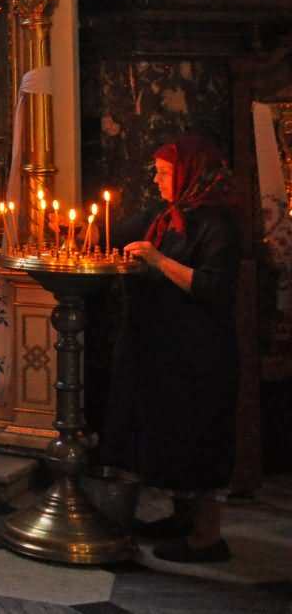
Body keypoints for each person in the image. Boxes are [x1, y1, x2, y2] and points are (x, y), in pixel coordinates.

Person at [109, 136, 241, 563]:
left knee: (200, 437)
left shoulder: (218, 223)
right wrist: (66, 226)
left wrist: (158, 261)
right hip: (165, 349)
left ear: (188, 173)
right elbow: (113, 233)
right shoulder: (162, 215)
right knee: (173, 435)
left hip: (201, 353)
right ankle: (182, 519)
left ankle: (208, 537)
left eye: (165, 172)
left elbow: (213, 287)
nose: (156, 178)